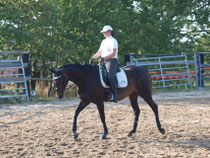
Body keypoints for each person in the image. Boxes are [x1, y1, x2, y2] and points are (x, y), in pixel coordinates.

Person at [90, 25, 119, 102]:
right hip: (103, 61)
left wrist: (103, 58)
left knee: (110, 76)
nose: (103, 33)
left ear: (109, 31)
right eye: (103, 32)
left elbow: (113, 53)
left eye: (105, 32)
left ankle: (115, 94)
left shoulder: (113, 41)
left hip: (111, 61)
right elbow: (99, 52)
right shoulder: (104, 41)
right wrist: (93, 58)